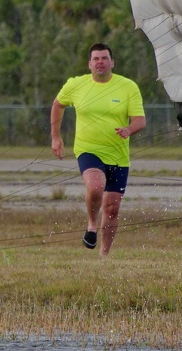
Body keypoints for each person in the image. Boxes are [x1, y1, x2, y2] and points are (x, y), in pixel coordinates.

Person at [50, 43, 145, 256]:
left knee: (112, 209)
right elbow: (58, 104)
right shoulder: (76, 84)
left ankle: (104, 256)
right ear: (89, 64)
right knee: (95, 186)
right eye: (96, 59)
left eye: (104, 58)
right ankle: (92, 224)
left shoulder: (128, 86)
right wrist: (56, 138)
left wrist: (129, 130)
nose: (100, 62)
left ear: (112, 62)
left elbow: (140, 120)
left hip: (118, 155)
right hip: (87, 150)